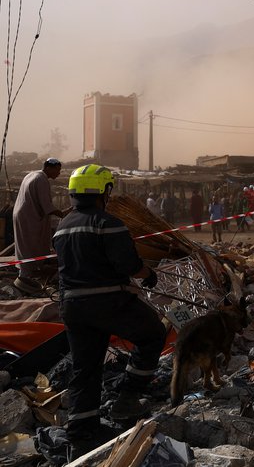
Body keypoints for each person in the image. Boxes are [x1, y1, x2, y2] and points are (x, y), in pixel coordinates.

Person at [52, 164, 166, 450]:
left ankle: (81, 431)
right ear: (103, 191)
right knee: (152, 333)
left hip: (72, 306)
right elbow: (128, 265)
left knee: (86, 367)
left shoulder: (63, 226)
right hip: (108, 302)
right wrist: (148, 275)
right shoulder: (109, 223)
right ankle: (128, 399)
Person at [13, 158, 69, 295]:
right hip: (30, 217)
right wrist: (64, 213)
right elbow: (47, 207)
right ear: (49, 168)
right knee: (30, 246)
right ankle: (25, 280)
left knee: (24, 245)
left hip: (22, 214)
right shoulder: (42, 180)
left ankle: (26, 276)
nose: (59, 173)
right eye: (58, 170)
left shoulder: (31, 174)